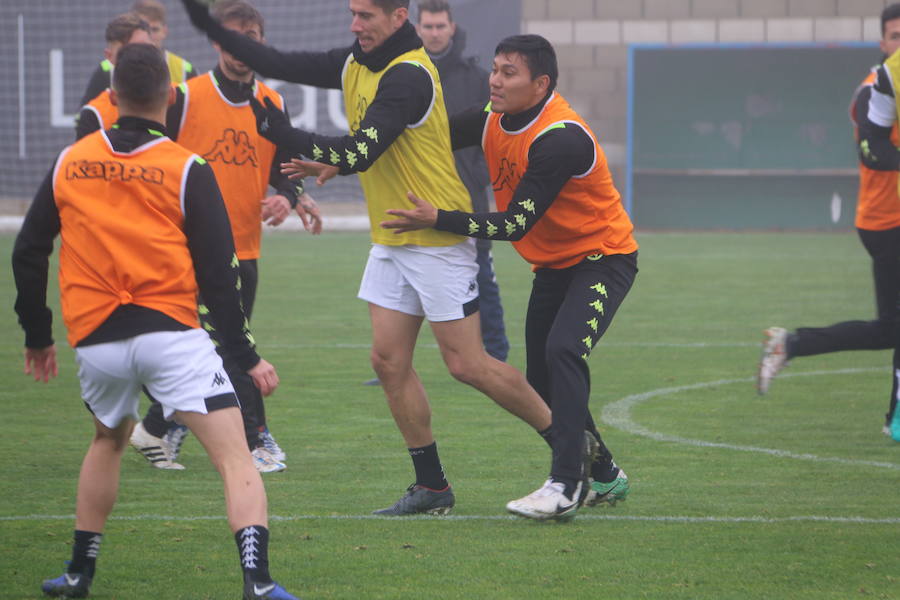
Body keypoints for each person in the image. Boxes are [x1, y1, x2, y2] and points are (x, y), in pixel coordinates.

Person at [179, 0, 556, 516]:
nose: (355, 25)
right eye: (353, 15)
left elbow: (360, 151)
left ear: (399, 17)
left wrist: (281, 134)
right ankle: (432, 487)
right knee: (387, 361)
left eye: (367, 16)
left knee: (468, 364)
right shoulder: (355, 59)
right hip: (393, 235)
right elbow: (281, 62)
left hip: (435, 234)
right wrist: (205, 23)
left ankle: (583, 457)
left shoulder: (409, 76)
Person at [12, 43, 298, 600]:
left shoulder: (71, 160)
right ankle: (258, 582)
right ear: (170, 96)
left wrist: (38, 336)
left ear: (112, 95)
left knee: (107, 442)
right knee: (235, 455)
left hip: (96, 340)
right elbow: (220, 276)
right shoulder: (187, 167)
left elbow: (29, 250)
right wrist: (246, 357)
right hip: (170, 334)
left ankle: (77, 574)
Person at [381, 34, 637, 520]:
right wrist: (340, 159)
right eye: (495, 69)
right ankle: (604, 473)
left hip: (603, 258)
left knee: (563, 352)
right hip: (554, 265)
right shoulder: (491, 119)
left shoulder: (559, 137)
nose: (495, 81)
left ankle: (566, 484)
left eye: (508, 73)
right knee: (540, 375)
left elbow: (515, 223)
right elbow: (423, 136)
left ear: (540, 84)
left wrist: (439, 216)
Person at [80, 0, 323, 473]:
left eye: (251, 37)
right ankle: (256, 439)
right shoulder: (184, 97)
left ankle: (158, 426)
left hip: (245, 247)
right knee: (231, 347)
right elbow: (149, 153)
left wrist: (289, 196)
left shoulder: (272, 103)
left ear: (261, 42)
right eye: (234, 37)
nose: (242, 48)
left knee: (216, 345)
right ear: (217, 42)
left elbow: (283, 166)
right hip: (183, 249)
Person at [759, 2, 900, 443]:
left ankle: (894, 417)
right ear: (882, 43)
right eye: (896, 36)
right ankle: (793, 345)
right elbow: (870, 148)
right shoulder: (874, 87)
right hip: (887, 221)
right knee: (890, 329)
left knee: (893, 327)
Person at [416, 0, 509, 362]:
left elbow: (497, 136)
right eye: (428, 27)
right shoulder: (408, 74)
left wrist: (475, 176)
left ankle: (498, 356)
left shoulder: (477, 79)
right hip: (415, 196)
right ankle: (395, 362)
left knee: (481, 277)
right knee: (408, 281)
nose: (435, 33)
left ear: (451, 28)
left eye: (440, 26)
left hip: (467, 199)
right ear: (419, 29)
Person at [78, 0, 196, 109]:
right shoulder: (107, 69)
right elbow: (87, 115)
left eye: (154, 30)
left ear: (165, 31)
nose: (150, 37)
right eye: (143, 30)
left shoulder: (184, 70)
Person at [75, 12, 154, 140]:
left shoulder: (178, 101)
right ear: (109, 57)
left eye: (144, 49)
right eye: (127, 52)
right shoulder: (95, 115)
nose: (138, 58)